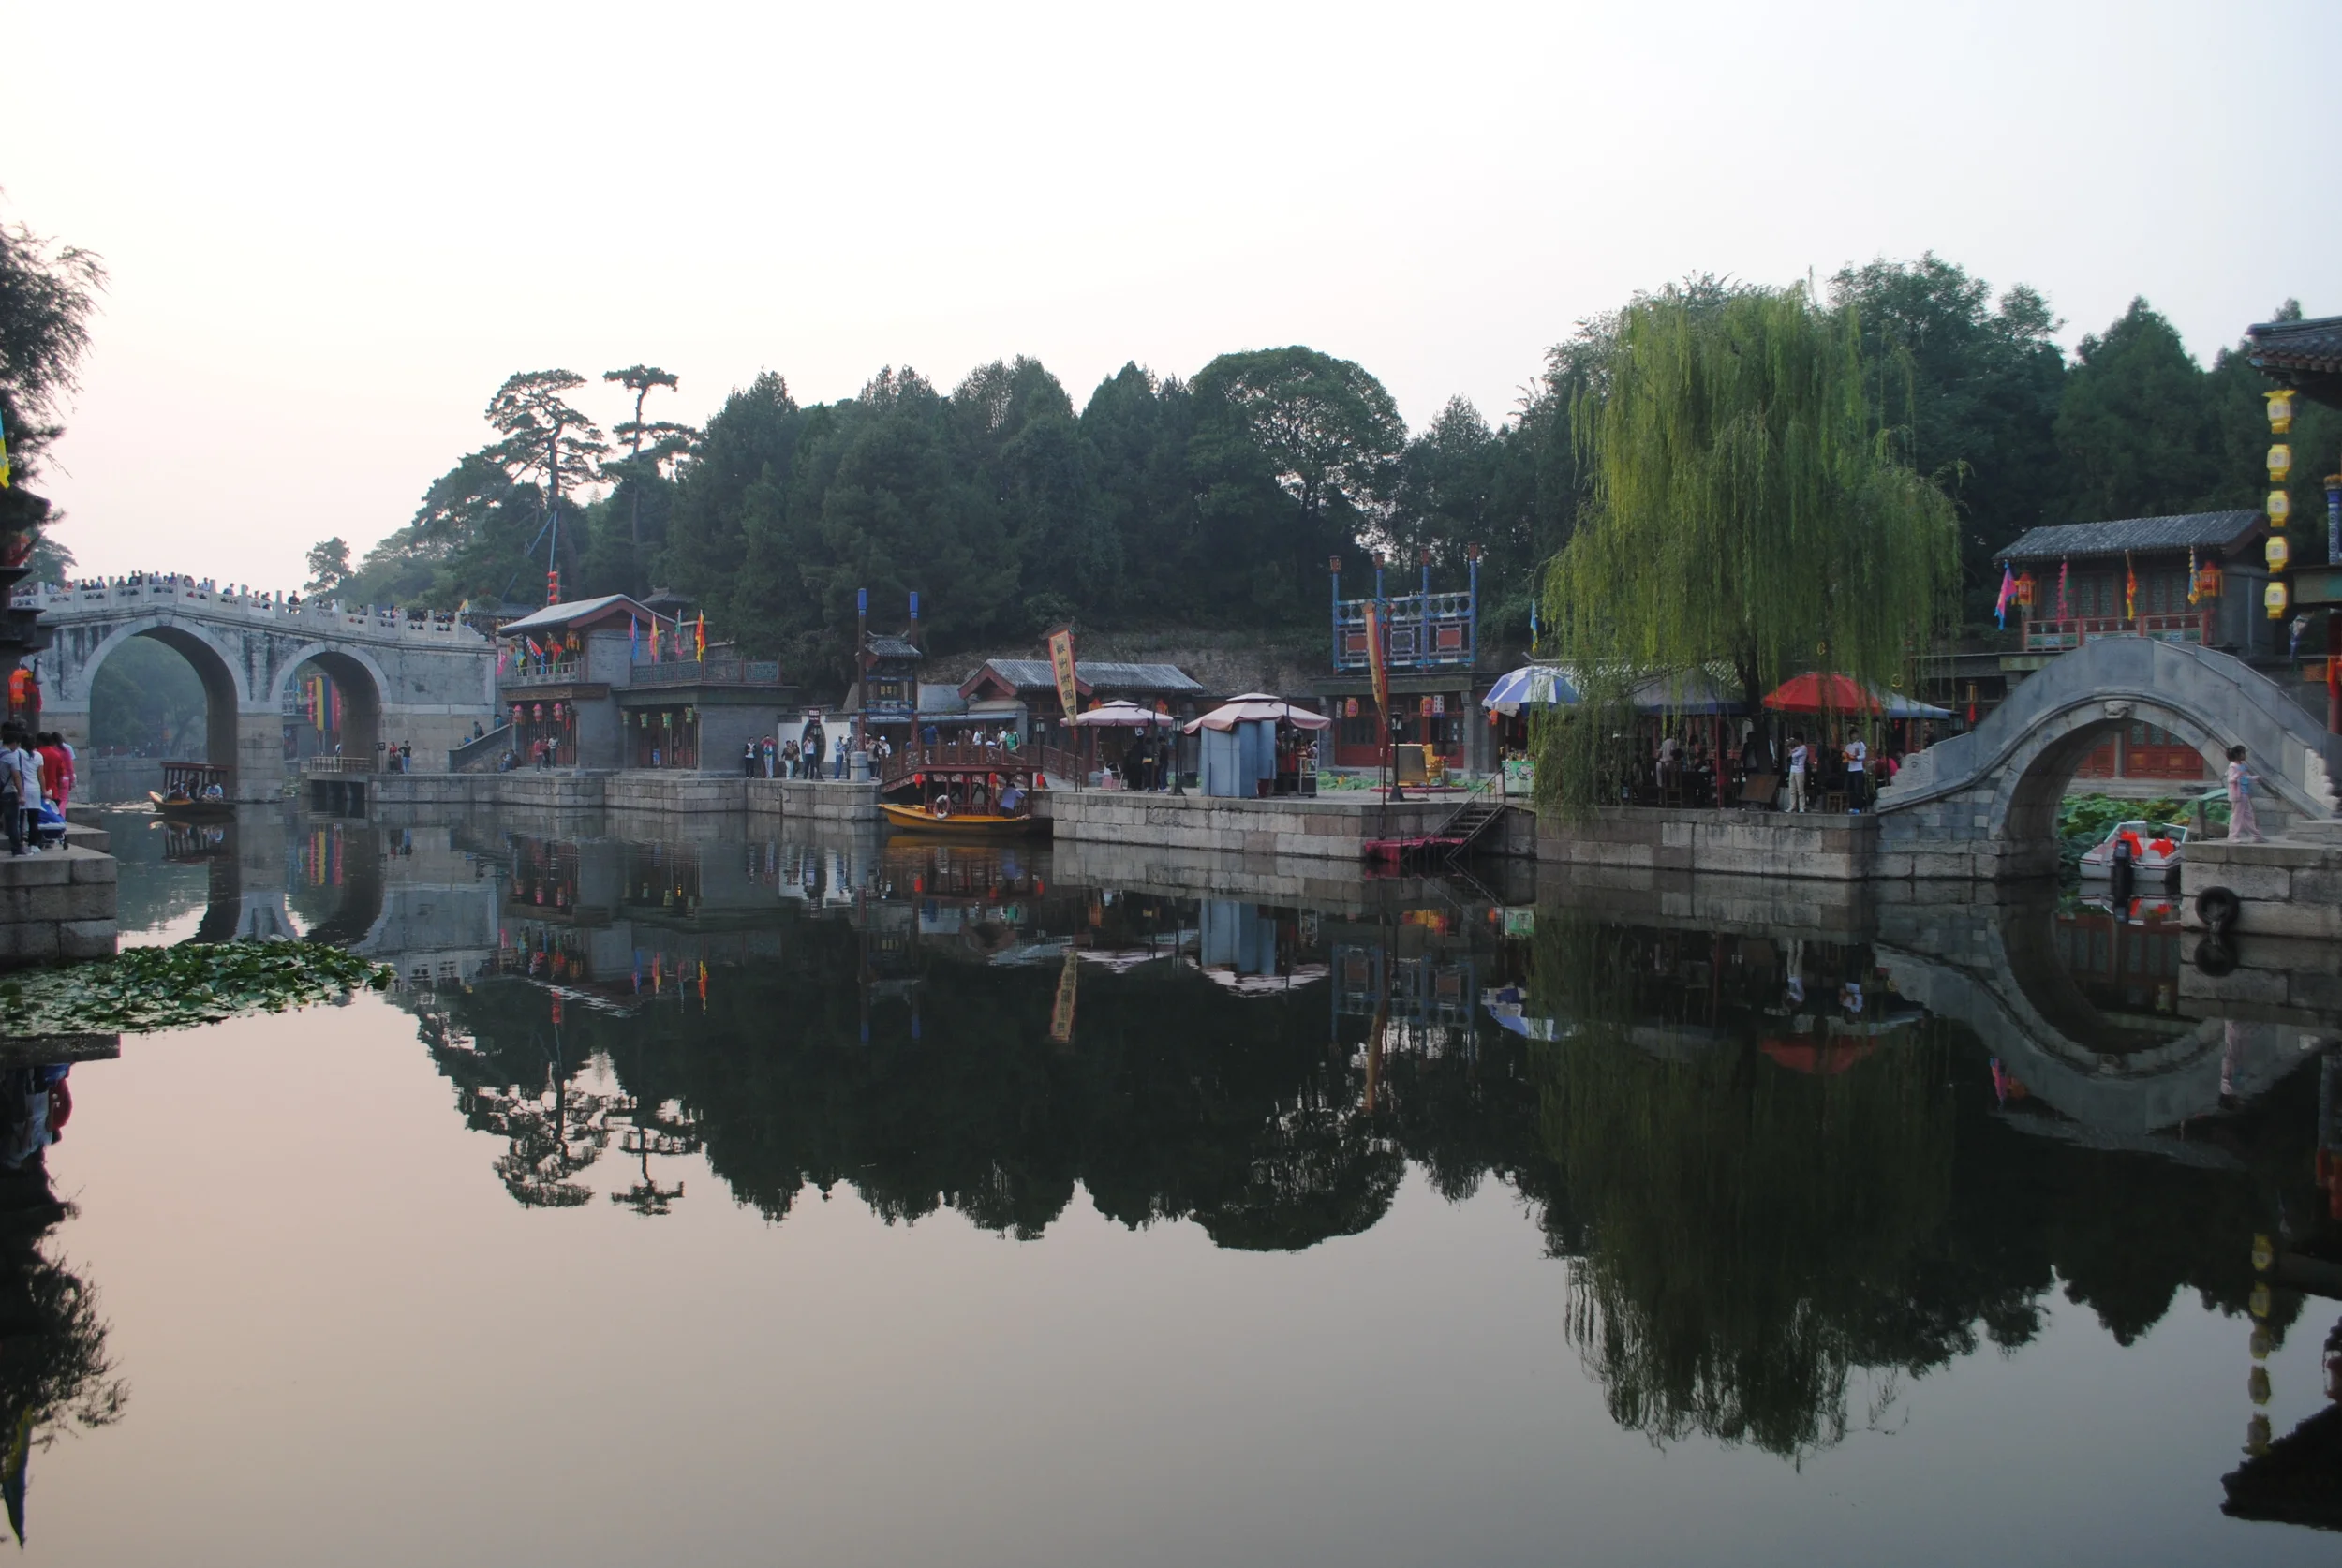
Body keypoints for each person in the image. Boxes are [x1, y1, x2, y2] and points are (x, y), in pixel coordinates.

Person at [2227, 745, 2262, 843]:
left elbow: (2245, 777)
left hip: (2244, 793)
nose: (2244, 755)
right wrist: (2238, 774)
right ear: (2238, 754)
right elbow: (2231, 779)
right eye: (2243, 753)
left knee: (2248, 815)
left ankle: (2256, 835)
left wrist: (2255, 778)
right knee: (2237, 815)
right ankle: (2233, 836)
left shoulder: (2241, 766)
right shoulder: (2233, 766)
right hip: (2237, 794)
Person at [1844, 732, 1868, 811]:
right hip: (1850, 769)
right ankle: (1851, 806)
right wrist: (1846, 758)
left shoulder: (1860, 744)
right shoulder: (1848, 746)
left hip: (1858, 769)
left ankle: (1858, 807)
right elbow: (1845, 756)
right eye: (1852, 735)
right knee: (1851, 789)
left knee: (1858, 789)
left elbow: (1863, 756)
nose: (1854, 736)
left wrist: (1855, 758)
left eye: (1855, 735)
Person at [1786, 732, 1809, 813]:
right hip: (1793, 770)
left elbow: (1793, 755)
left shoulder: (1803, 748)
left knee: (1800, 790)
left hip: (1800, 770)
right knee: (1792, 790)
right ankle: (1792, 806)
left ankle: (1802, 807)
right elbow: (1789, 756)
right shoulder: (1795, 747)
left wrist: (1790, 750)